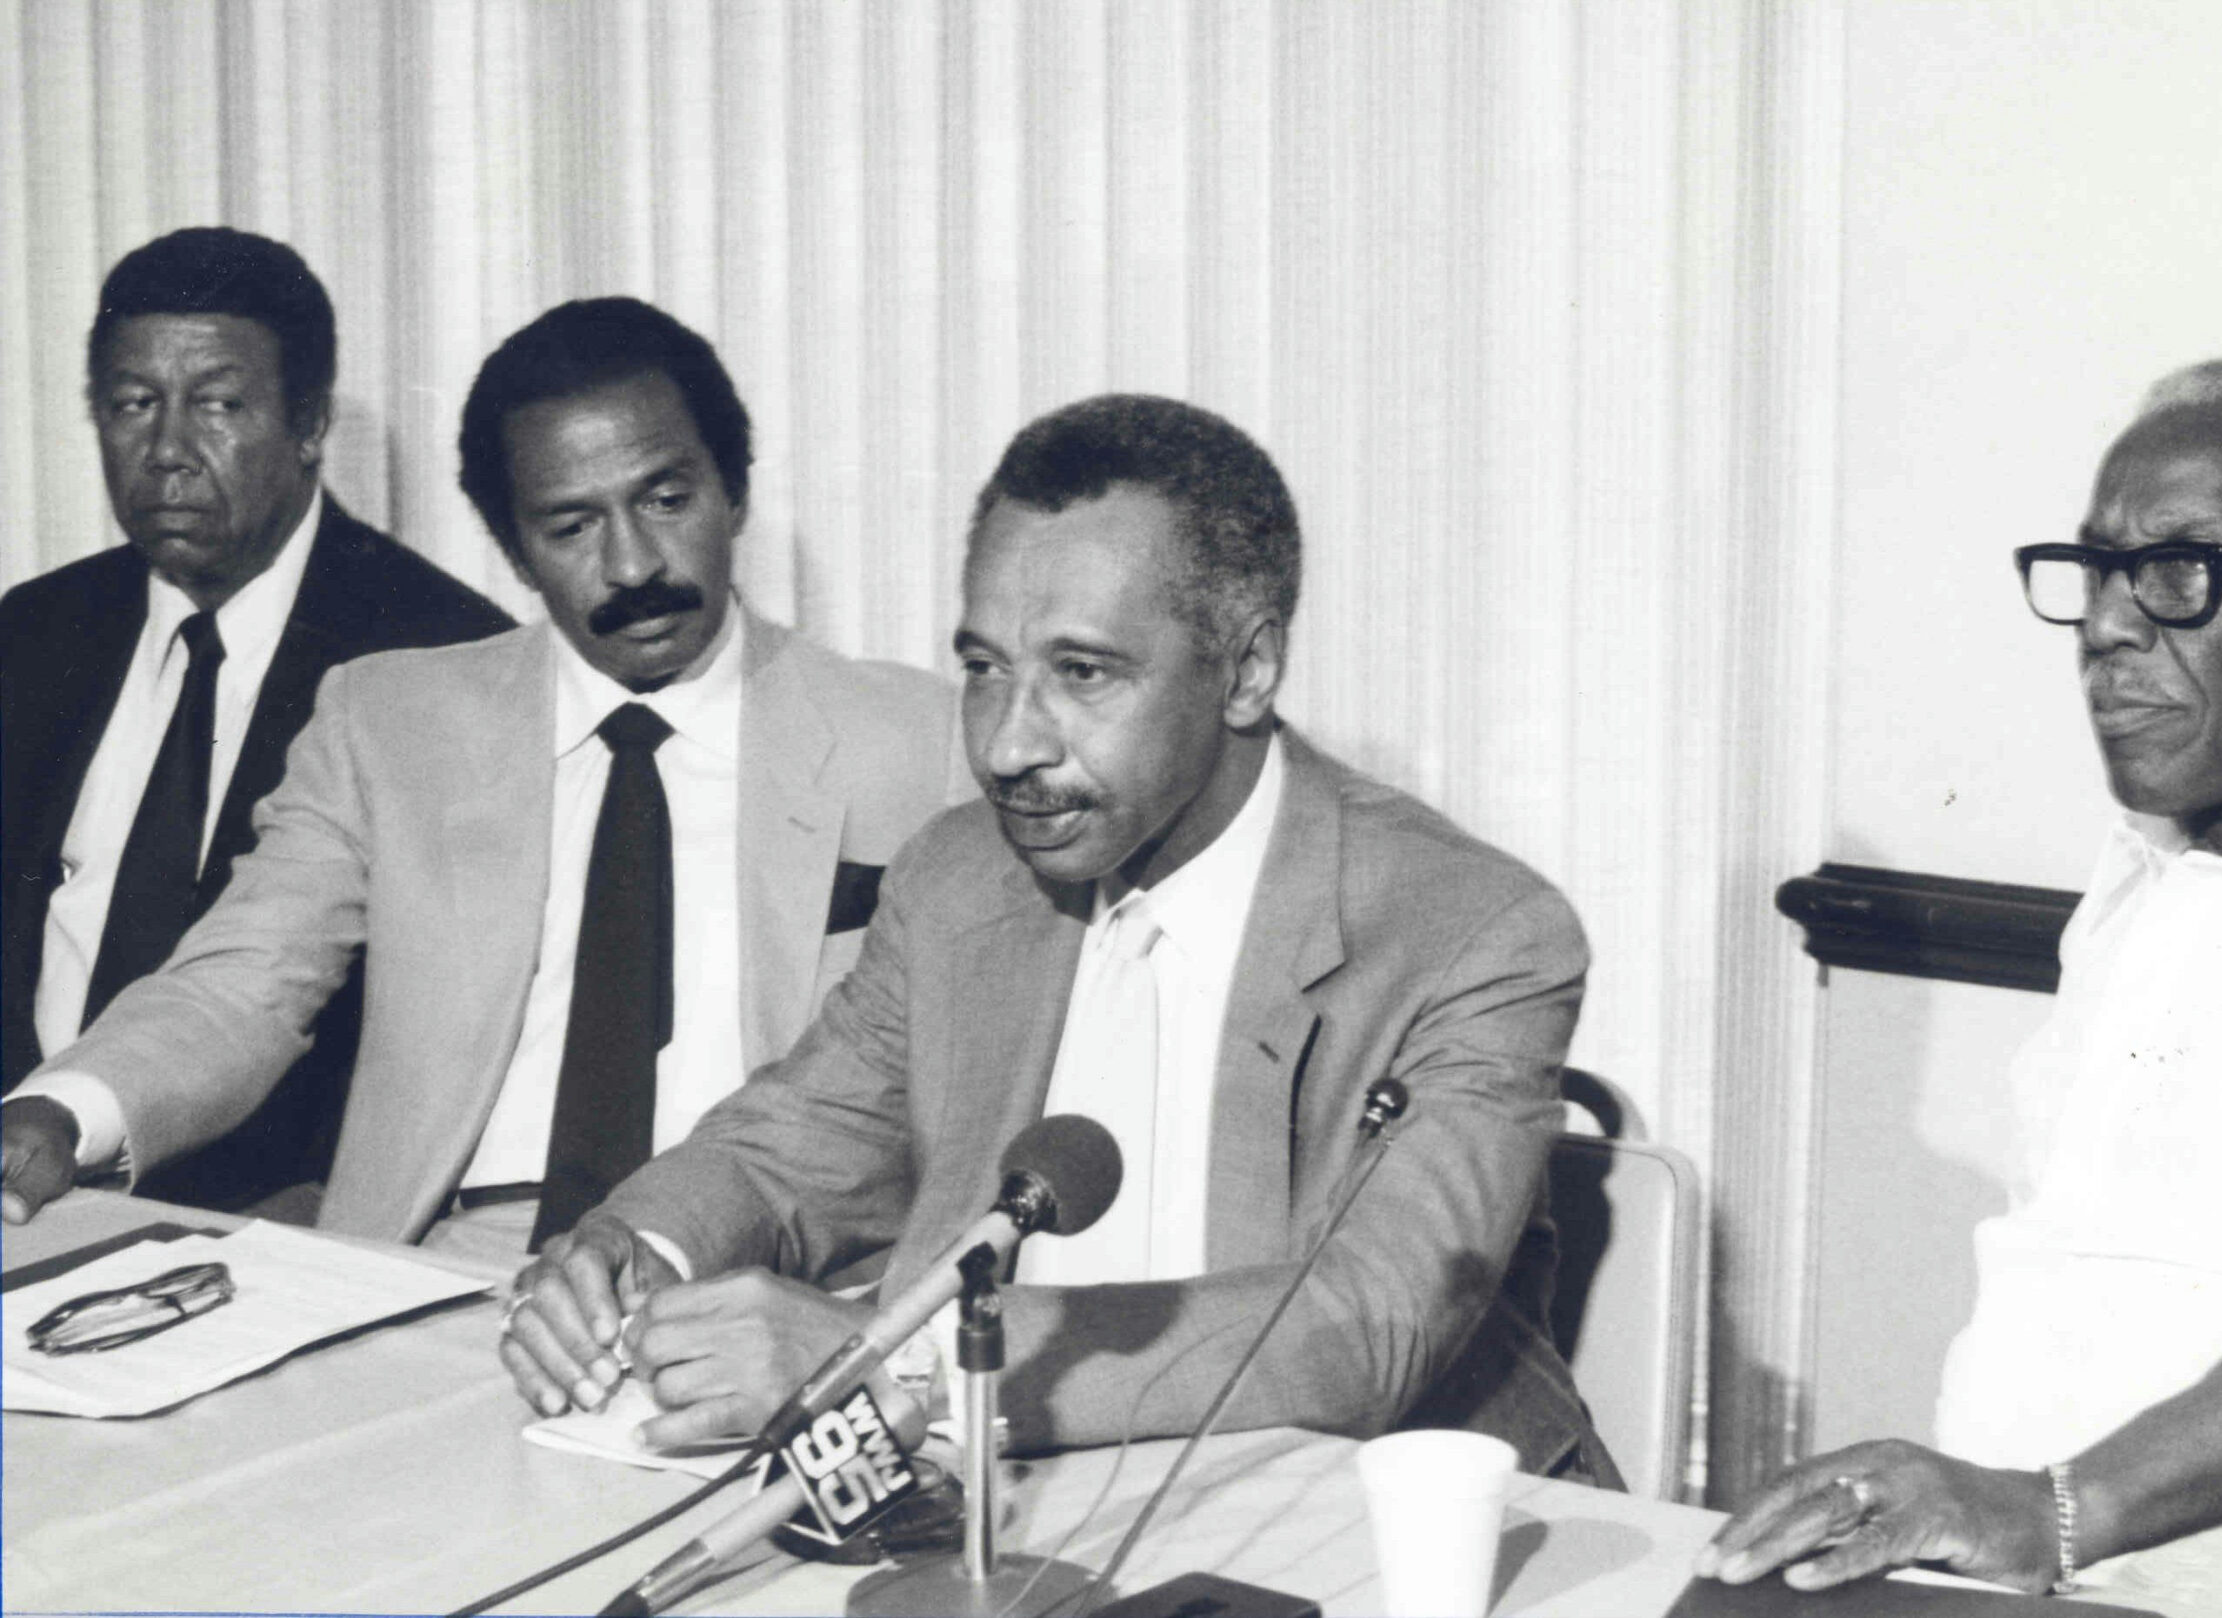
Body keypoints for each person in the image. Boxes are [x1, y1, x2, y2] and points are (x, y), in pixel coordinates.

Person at [501, 394, 1616, 1482]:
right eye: (984, 667)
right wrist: (637, 1246)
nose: (1005, 744)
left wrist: (901, 1364)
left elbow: (1367, 1326)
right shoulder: (956, 875)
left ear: (1248, 671)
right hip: (1016, 1510)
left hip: (1365, 1517)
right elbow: (792, 1141)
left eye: (1081, 673)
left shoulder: (1475, 933)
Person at [1703, 357, 2222, 1612]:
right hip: (2036, 1583)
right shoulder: (2141, 883)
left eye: (2179, 570)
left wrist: (2044, 1512)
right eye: (2096, 569)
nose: (2106, 624)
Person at [0, 298, 960, 1274]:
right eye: (571, 525)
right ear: (514, 553)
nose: (632, 564)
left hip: (760, 1270)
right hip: (454, 1261)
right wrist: (64, 1108)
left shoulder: (922, 743)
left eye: (667, 500)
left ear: (734, 494)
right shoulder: (389, 721)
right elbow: (243, 983)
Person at [0, 226, 512, 1214]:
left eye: (219, 405)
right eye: (132, 404)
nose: (168, 452)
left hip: (281, 1230)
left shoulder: (443, 658)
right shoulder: (30, 635)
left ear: (311, 421)